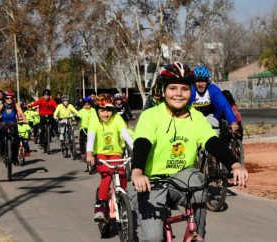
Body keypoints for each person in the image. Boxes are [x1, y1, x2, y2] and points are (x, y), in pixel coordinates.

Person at [130, 62, 248, 242]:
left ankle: (197, 234)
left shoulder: (196, 117)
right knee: (153, 237)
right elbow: (142, 142)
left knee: (198, 181)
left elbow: (212, 142)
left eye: (184, 89)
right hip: (150, 180)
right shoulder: (151, 115)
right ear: (163, 91)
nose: (178, 93)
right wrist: (137, 171)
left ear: (190, 91)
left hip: (181, 177)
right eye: (173, 88)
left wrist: (235, 164)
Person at [86, 93, 133, 223]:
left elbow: (126, 135)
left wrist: (136, 150)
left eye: (109, 110)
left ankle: (121, 197)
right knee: (107, 175)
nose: (106, 114)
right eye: (102, 110)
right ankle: (100, 206)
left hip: (115, 153)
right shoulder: (93, 119)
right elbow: (91, 138)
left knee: (122, 175)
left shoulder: (117, 118)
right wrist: (89, 154)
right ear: (97, 110)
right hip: (100, 153)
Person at [189, 65, 238, 136]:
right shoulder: (190, 90)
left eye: (203, 81)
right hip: (193, 117)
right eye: (198, 81)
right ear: (194, 82)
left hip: (210, 116)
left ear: (207, 82)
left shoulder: (213, 90)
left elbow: (224, 105)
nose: (200, 84)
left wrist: (233, 122)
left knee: (213, 135)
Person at [0, 90, 27, 163]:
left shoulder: (15, 105)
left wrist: (25, 119)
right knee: (2, 140)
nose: (9, 100)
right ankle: (2, 155)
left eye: (11, 98)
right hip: (4, 124)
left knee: (16, 141)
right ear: (5, 99)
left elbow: (21, 112)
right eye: (7, 98)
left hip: (13, 124)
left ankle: (14, 157)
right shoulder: (1, 105)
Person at [77, 97, 96, 165]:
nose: (86, 106)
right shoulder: (81, 111)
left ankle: (95, 153)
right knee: (82, 140)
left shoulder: (94, 111)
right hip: (84, 129)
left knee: (95, 141)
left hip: (93, 129)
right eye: (84, 105)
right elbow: (78, 116)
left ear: (90, 104)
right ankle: (83, 153)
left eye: (88, 104)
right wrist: (77, 119)